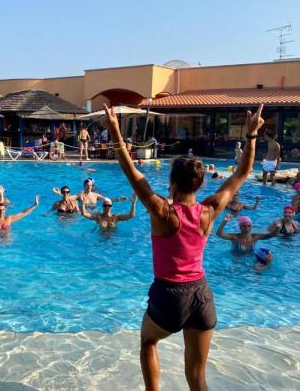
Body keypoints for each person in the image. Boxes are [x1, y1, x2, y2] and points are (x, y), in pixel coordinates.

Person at [100, 101, 265, 390]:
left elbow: (132, 174)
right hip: (202, 294)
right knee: (197, 377)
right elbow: (241, 173)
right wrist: (251, 136)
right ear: (200, 185)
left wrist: (115, 133)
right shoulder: (210, 210)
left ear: (173, 183)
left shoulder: (164, 213)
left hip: (170, 295)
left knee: (148, 341)